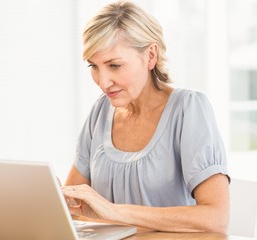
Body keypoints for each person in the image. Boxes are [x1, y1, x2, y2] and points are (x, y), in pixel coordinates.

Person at [61, 0, 230, 234]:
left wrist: (114, 211)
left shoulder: (187, 109)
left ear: (150, 55)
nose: (102, 81)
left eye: (115, 65)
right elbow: (69, 207)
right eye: (94, 66)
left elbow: (216, 218)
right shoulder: (101, 111)